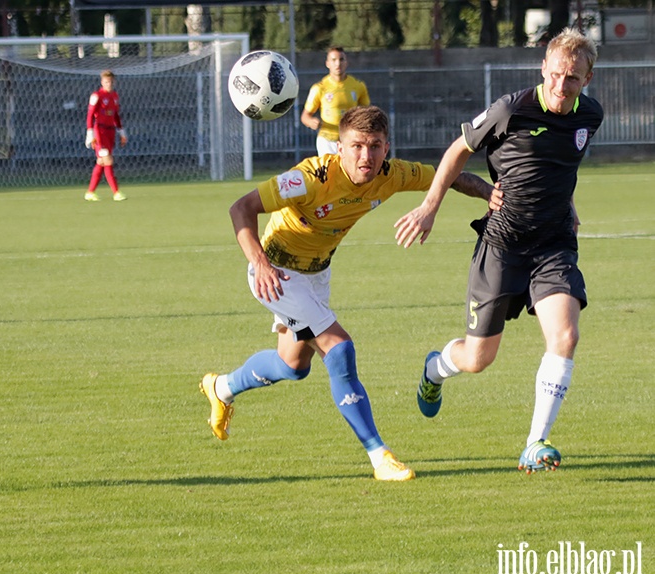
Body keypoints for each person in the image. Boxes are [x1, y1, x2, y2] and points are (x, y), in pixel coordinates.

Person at [200, 105, 500, 481]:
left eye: (375, 146)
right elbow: (241, 208)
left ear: (386, 148)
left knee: (293, 366)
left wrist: (491, 194)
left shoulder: (391, 175)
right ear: (338, 148)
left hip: (316, 274)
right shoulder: (309, 178)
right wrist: (259, 263)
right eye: (356, 146)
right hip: (275, 272)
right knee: (339, 347)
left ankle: (221, 386)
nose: (366, 156)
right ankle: (380, 457)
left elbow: (450, 175)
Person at [393, 29, 603, 475]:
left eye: (573, 79)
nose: (562, 87)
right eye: (557, 75)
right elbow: (457, 151)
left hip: (553, 245)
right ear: (543, 68)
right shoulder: (511, 109)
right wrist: (429, 207)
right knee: (478, 359)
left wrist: (567, 203)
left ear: (588, 78)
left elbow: (560, 166)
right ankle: (435, 369)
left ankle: (535, 442)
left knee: (565, 336)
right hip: (502, 245)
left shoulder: (591, 116)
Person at [300, 47, 370, 157]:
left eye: (341, 59)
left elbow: (367, 113)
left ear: (346, 62)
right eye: (333, 60)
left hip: (350, 139)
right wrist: (311, 122)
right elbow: (305, 116)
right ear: (327, 63)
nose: (338, 64)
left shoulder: (358, 86)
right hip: (327, 140)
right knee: (330, 173)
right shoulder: (320, 88)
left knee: (349, 173)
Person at [84, 69, 128, 202]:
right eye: (106, 81)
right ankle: (116, 192)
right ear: (102, 82)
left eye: (110, 81)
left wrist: (121, 132)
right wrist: (90, 133)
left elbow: (115, 115)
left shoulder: (114, 96)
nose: (108, 84)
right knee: (108, 160)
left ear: (113, 82)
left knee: (101, 162)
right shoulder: (96, 96)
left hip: (110, 131)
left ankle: (90, 193)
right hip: (100, 131)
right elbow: (90, 115)